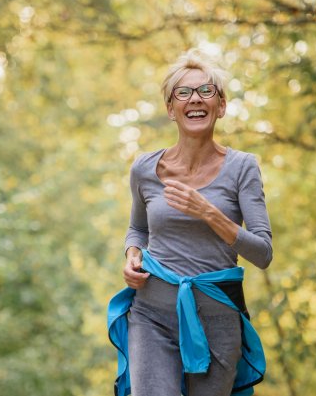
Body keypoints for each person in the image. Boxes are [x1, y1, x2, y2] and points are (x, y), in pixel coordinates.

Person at [107, 49, 273, 396]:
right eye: (183, 92)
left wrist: (209, 213)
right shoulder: (145, 169)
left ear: (221, 106)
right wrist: (131, 255)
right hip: (151, 316)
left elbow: (263, 253)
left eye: (206, 91)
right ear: (171, 109)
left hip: (217, 320)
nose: (194, 99)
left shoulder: (242, 168)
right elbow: (138, 228)